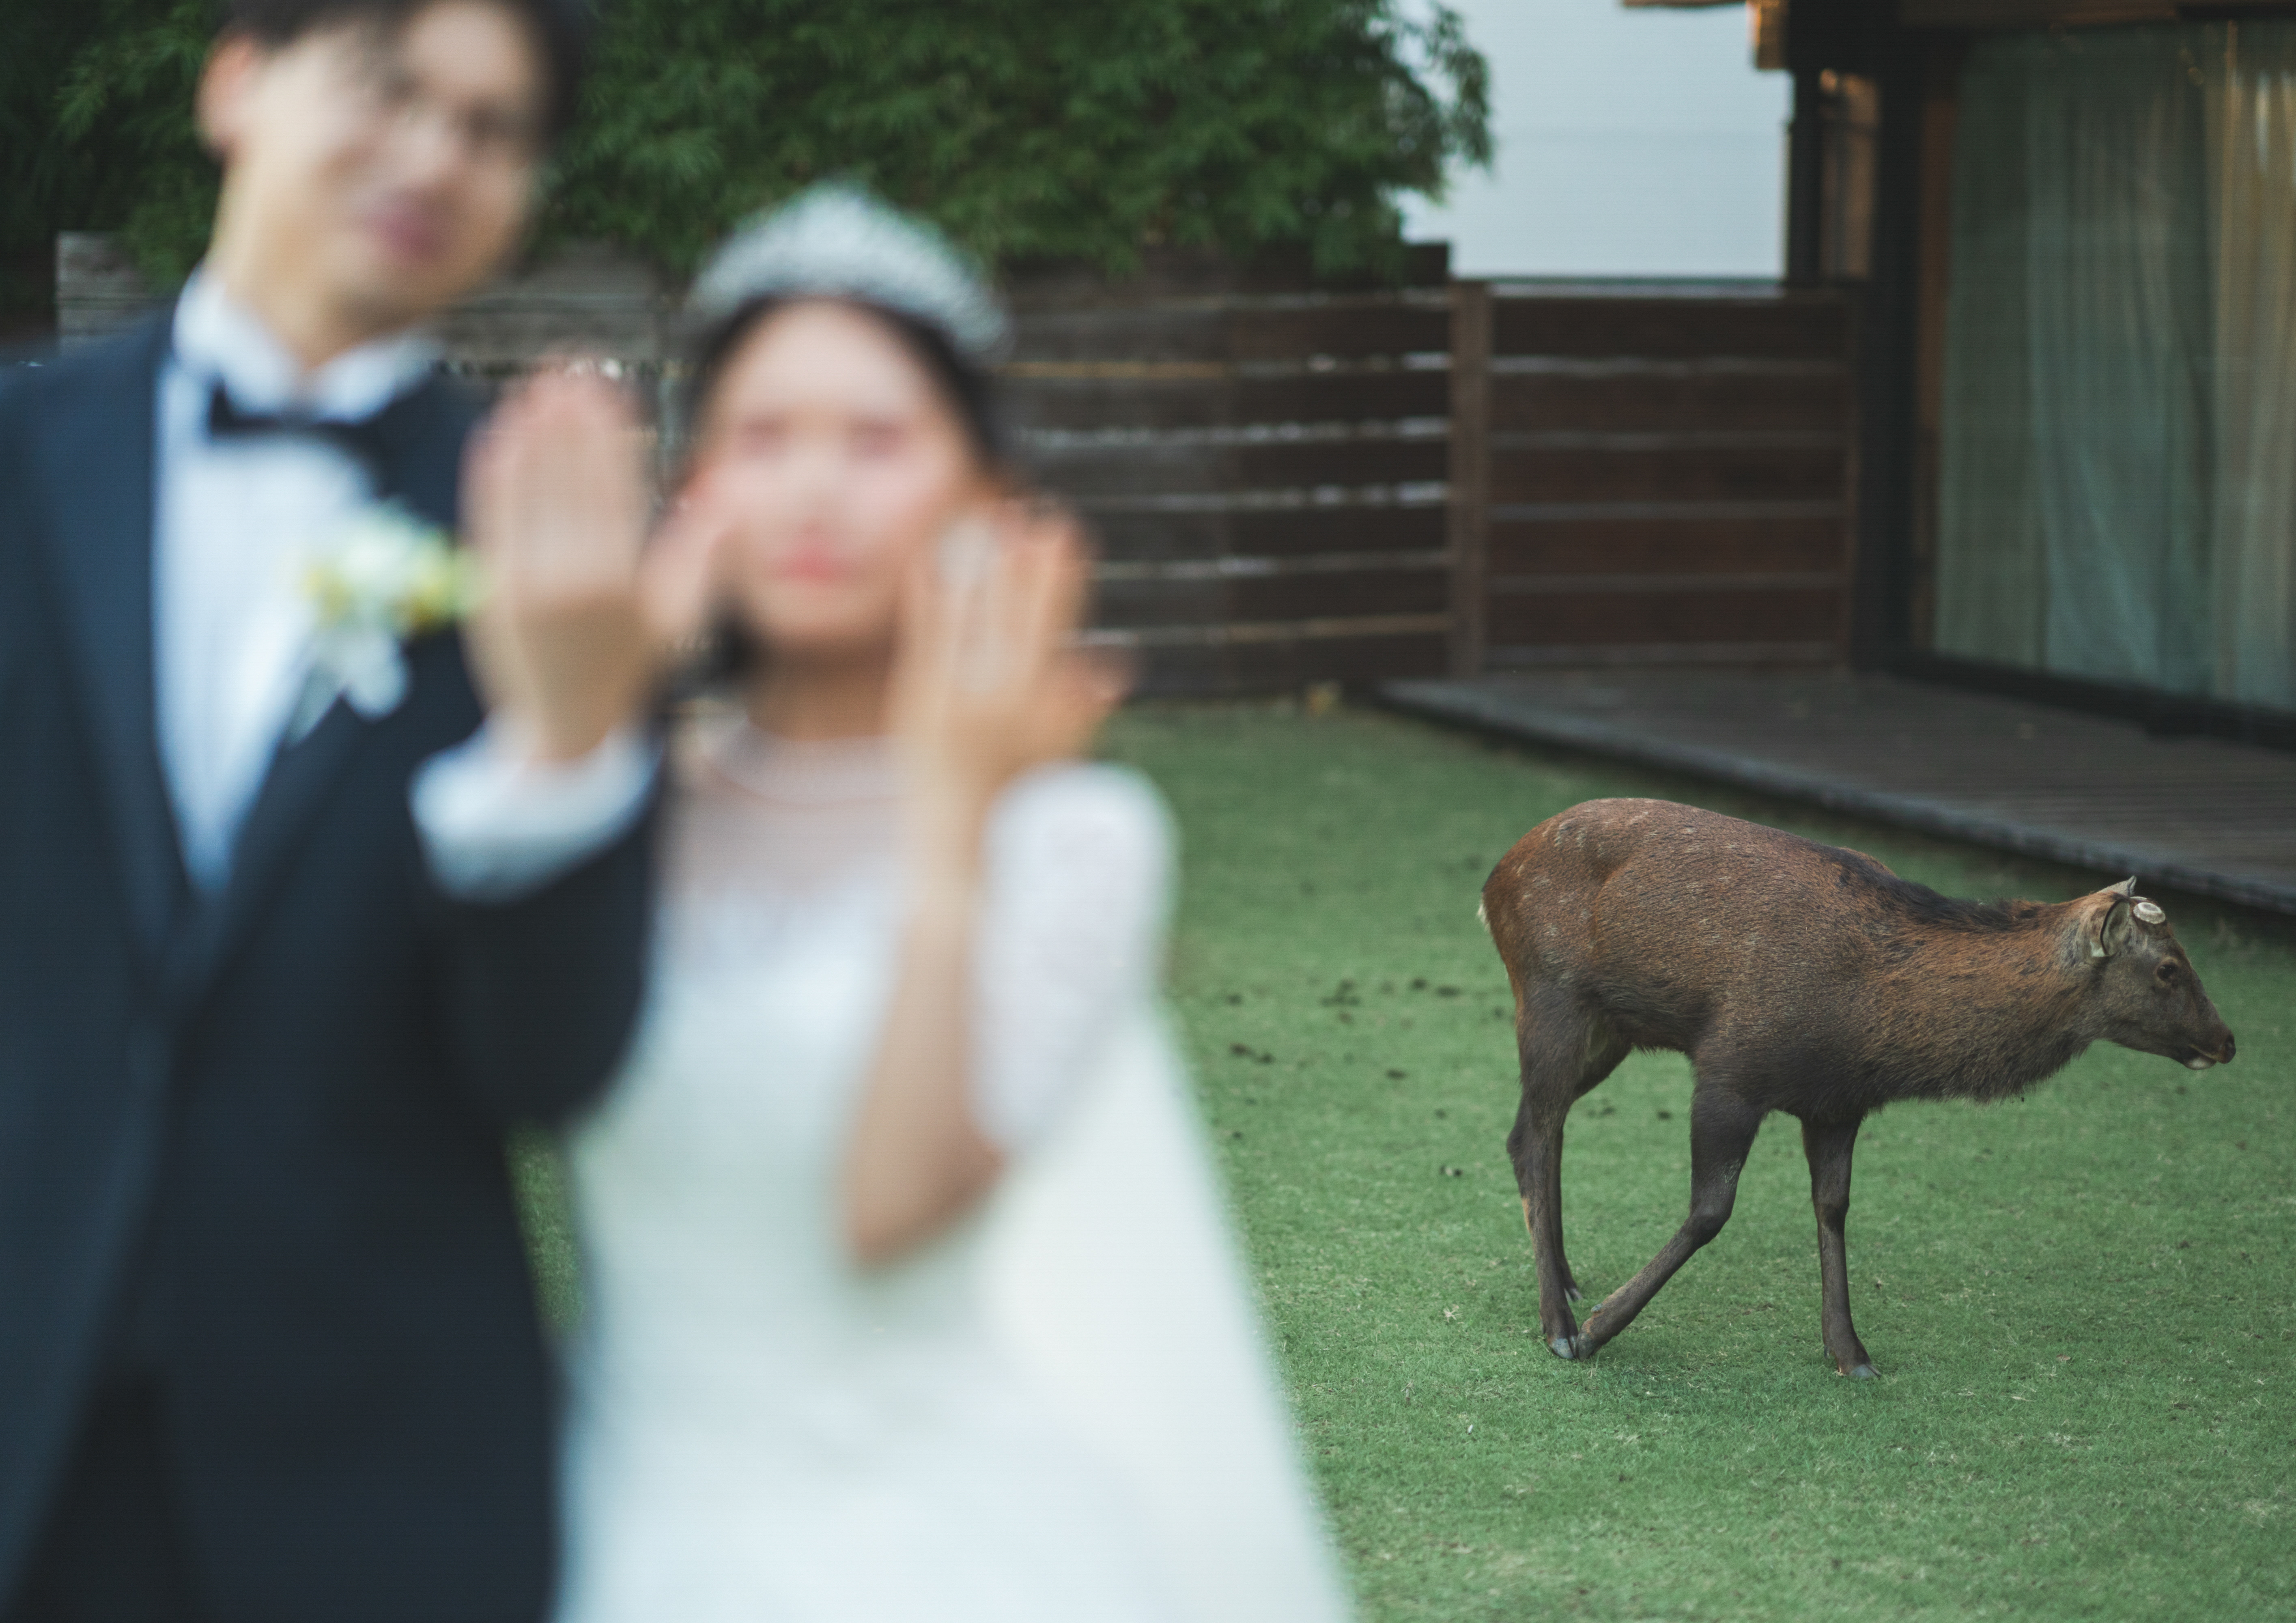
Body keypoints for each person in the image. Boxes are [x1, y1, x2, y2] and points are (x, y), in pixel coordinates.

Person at [540, 186, 1352, 1623]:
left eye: (875, 440)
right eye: (763, 437)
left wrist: (944, 818)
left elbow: (891, 1204)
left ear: (982, 492)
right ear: (696, 485)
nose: (812, 489)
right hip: (612, 1526)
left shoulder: (1074, 836)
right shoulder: (601, 805)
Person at [0, 2, 663, 1619]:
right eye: (389, 86)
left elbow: (550, 1063)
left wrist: (570, 746)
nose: (437, 152)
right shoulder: (19, 459)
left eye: (494, 129)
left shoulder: (555, 545)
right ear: (236, 82)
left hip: (387, 1476)